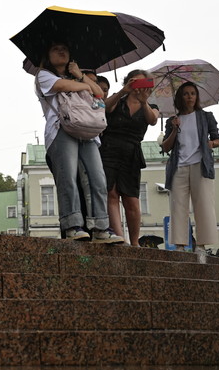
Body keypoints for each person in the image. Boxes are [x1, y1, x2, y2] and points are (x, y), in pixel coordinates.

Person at [35, 42, 123, 243]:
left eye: (65, 48)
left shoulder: (77, 74)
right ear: (47, 55)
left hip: (88, 131)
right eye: (55, 48)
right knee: (68, 178)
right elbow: (62, 86)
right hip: (61, 128)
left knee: (98, 178)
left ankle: (100, 227)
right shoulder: (43, 75)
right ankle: (72, 225)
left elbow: (99, 93)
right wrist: (84, 84)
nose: (61, 51)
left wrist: (80, 75)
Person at [160, 81, 219, 252]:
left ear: (197, 96)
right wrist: (174, 129)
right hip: (179, 166)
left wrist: (211, 143)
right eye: (186, 94)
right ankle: (180, 245)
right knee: (178, 206)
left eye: (193, 93)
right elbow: (165, 147)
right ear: (180, 97)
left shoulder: (205, 116)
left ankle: (201, 245)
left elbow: (217, 139)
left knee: (203, 204)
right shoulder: (173, 120)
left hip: (200, 165)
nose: (190, 97)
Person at [101, 70, 158, 246]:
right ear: (128, 82)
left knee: (131, 198)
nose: (139, 87)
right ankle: (120, 238)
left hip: (131, 152)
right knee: (111, 193)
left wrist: (144, 102)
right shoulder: (118, 100)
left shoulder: (150, 105)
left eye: (143, 84)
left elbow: (153, 120)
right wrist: (123, 92)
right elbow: (105, 107)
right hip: (109, 148)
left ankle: (134, 243)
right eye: (135, 83)